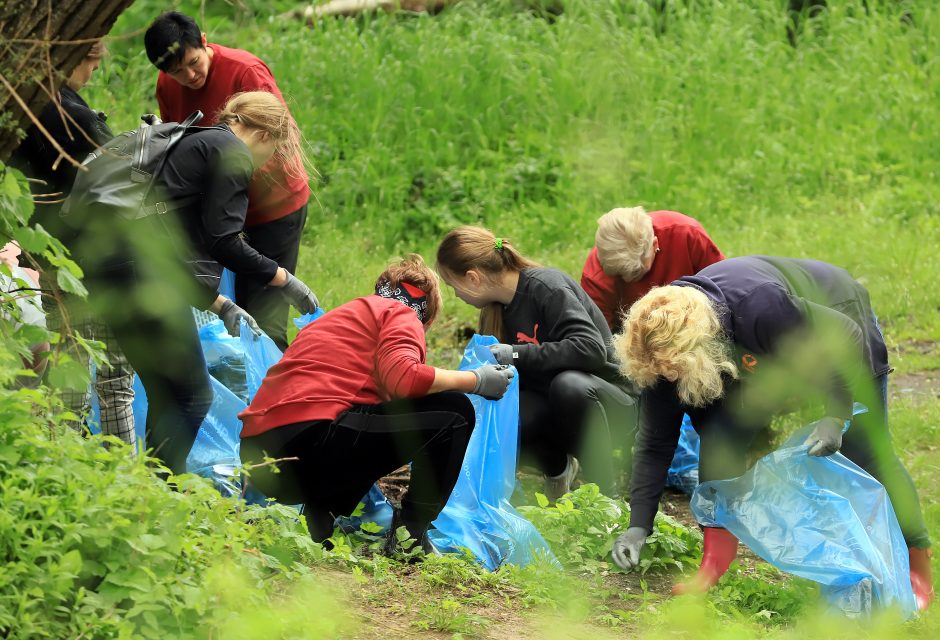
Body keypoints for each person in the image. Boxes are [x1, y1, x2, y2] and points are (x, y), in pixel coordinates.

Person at [609, 256, 933, 610]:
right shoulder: (659, 348)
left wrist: (836, 415)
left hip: (836, 323)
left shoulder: (761, 308)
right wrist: (638, 525)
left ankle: (918, 561)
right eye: (663, 372)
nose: (668, 378)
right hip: (748, 347)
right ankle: (715, 558)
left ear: (698, 350)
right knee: (721, 438)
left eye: (675, 371)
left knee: (866, 450)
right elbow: (655, 443)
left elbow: (844, 336)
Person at [68, 91, 320, 476]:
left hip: (110, 268)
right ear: (267, 135)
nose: (267, 163)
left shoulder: (195, 140)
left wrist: (221, 304)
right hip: (141, 275)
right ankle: (160, 490)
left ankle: (148, 491)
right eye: (274, 153)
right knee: (190, 395)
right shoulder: (231, 153)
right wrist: (284, 279)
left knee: (166, 391)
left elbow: (162, 241)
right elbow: (225, 242)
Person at [239, 255, 515, 545]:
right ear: (429, 317)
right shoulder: (401, 313)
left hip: (260, 456)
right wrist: (476, 380)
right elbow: (405, 379)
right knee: (454, 413)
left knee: (370, 418)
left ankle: (318, 525)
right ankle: (411, 534)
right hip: (308, 443)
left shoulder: (345, 315)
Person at [144, 11, 310, 351]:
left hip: (272, 207)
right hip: (217, 211)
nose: (189, 76)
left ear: (203, 40)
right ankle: (241, 389)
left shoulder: (245, 71)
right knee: (230, 311)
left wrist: (225, 184)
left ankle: (270, 386)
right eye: (176, 71)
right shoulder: (168, 85)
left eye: (192, 62)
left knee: (266, 313)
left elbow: (281, 135)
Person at [436, 226, 638, 500]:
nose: (456, 295)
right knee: (509, 413)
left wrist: (515, 354)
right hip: (559, 411)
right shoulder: (497, 310)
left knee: (568, 385)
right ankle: (558, 470)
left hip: (613, 405)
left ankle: (607, 499)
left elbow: (591, 350)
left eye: (452, 285)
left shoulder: (547, 287)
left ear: (472, 278)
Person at [8, 40, 137, 444]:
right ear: (81, 59)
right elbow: (125, 178)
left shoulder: (23, 104)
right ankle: (123, 476)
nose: (90, 77)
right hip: (95, 259)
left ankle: (64, 460)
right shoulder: (70, 113)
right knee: (115, 383)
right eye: (93, 68)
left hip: (49, 255)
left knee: (68, 382)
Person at [581, 207, 724, 333]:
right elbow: (601, 342)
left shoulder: (687, 234)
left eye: (637, 273)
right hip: (631, 337)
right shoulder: (595, 277)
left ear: (655, 245)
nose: (627, 280)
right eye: (619, 274)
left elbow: (723, 291)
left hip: (695, 324)